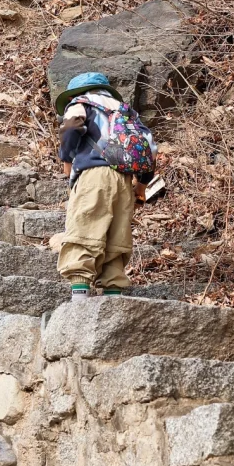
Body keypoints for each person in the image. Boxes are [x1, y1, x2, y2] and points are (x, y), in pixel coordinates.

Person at [54, 70, 157, 297]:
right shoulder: (127, 112)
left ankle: (79, 300)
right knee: (116, 238)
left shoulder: (80, 103)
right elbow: (149, 148)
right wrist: (141, 187)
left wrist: (66, 159)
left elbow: (71, 126)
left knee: (85, 229)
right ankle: (112, 296)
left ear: (77, 92)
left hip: (94, 175)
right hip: (124, 180)